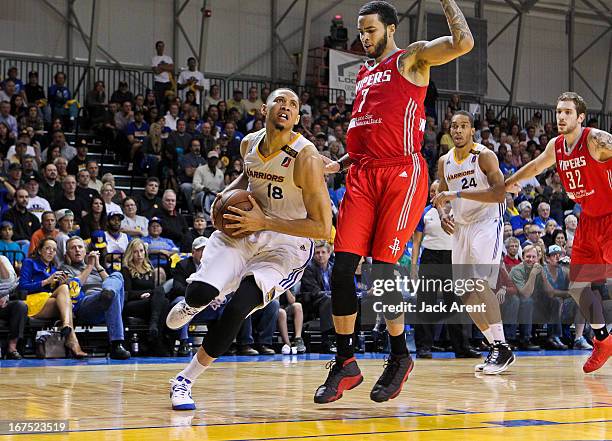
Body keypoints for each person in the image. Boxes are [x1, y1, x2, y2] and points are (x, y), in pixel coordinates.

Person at [315, 0, 474, 404]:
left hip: (402, 173)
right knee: (342, 268)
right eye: (361, 31)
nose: (364, 37)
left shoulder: (413, 59)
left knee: (382, 270)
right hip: (363, 173)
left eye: (370, 30)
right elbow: (371, 128)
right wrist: (340, 162)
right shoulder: (365, 74)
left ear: (390, 28)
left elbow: (463, 42)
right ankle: (346, 361)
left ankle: (399, 355)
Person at [165, 88, 331, 410]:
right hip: (246, 228)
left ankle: (184, 379)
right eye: (280, 101)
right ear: (264, 109)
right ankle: (195, 304)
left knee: (240, 304)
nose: (286, 107)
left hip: (286, 244)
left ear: (297, 118)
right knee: (199, 292)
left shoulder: (306, 158)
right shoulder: (248, 144)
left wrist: (265, 221)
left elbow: (322, 228)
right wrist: (226, 194)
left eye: (293, 104)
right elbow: (248, 176)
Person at [505, 92, 612, 373]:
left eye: (567, 112)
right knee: (577, 287)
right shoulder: (557, 146)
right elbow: (536, 165)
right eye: (558, 111)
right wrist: (511, 182)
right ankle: (603, 340)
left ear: (580, 117)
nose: (561, 116)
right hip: (588, 219)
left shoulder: (596, 140)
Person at [433, 110, 515, 374]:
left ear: (472, 131)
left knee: (480, 282)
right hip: (462, 227)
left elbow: (499, 193)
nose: (458, 130)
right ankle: (498, 348)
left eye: (463, 126)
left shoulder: (484, 156)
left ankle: (500, 344)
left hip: (487, 223)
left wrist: (455, 193)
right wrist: (444, 214)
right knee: (465, 293)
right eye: (454, 126)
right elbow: (440, 196)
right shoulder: (444, 161)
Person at [411, 180, 481, 359]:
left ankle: (461, 347)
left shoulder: (459, 212)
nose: (435, 194)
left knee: (455, 304)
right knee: (426, 303)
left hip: (453, 259)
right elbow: (417, 242)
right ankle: (424, 347)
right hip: (430, 259)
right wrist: (413, 266)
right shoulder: (425, 212)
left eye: (438, 191)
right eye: (432, 191)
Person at [61, 237, 131, 360]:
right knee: (111, 293)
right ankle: (116, 345)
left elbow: (110, 281)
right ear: (67, 253)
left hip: (107, 300)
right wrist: (89, 266)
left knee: (117, 276)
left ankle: (107, 293)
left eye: (80, 247)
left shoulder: (96, 268)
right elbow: (73, 290)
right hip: (87, 305)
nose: (77, 250)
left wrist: (98, 266)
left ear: (85, 251)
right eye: (73, 248)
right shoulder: (65, 269)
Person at [18, 238, 88, 358]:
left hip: (49, 300)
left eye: (54, 250)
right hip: (33, 301)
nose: (51, 252)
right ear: (40, 250)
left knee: (65, 287)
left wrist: (61, 283)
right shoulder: (29, 263)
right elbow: (23, 286)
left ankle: (67, 327)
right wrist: (46, 281)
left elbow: (56, 292)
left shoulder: (55, 269)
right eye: (48, 248)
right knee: (66, 300)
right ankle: (71, 338)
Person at [121, 239, 169, 352]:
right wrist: (141, 295)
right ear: (130, 253)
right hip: (132, 304)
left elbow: (153, 291)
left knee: (163, 298)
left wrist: (150, 294)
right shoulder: (126, 269)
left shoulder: (148, 268)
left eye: (141, 251)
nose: (139, 254)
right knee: (163, 300)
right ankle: (157, 340)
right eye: (135, 252)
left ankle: (154, 331)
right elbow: (127, 293)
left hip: (149, 303)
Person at [0, 254, 27, 359]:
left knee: (20, 306)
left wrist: (1, 263)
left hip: (3, 301)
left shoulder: (3, 260)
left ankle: (12, 347)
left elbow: (11, 283)